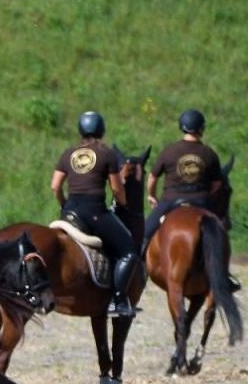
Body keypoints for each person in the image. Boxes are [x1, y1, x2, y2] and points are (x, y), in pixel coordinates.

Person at [53, 110, 139, 318]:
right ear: (101, 129)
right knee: (129, 251)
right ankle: (117, 300)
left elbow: (55, 186)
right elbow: (117, 189)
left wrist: (65, 205)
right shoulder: (106, 153)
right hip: (94, 212)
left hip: (71, 211)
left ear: (81, 129)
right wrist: (123, 204)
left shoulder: (68, 153)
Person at [145, 109, 226, 243]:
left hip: (170, 201)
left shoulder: (169, 151)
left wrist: (152, 195)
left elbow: (153, 177)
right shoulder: (209, 154)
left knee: (145, 234)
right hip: (200, 201)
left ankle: (138, 260)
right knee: (219, 236)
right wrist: (206, 195)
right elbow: (217, 184)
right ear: (202, 128)